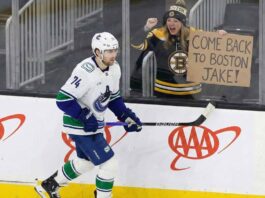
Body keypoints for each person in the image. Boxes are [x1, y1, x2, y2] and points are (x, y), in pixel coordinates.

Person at [34, 32, 142, 198]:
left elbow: (113, 97)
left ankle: (50, 185)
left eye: (115, 50)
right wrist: (85, 117)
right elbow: (63, 99)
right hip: (78, 125)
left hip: (94, 125)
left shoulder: (114, 68)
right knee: (109, 164)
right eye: (109, 51)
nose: (113, 55)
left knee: (85, 162)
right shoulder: (85, 72)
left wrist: (126, 116)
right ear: (98, 52)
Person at [132, 0, 226, 98]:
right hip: (163, 92)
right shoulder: (158, 33)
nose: (171, 23)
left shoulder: (196, 35)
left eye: (175, 21)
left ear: (182, 22)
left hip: (191, 94)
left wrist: (221, 36)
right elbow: (136, 44)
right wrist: (146, 28)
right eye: (169, 20)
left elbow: (216, 47)